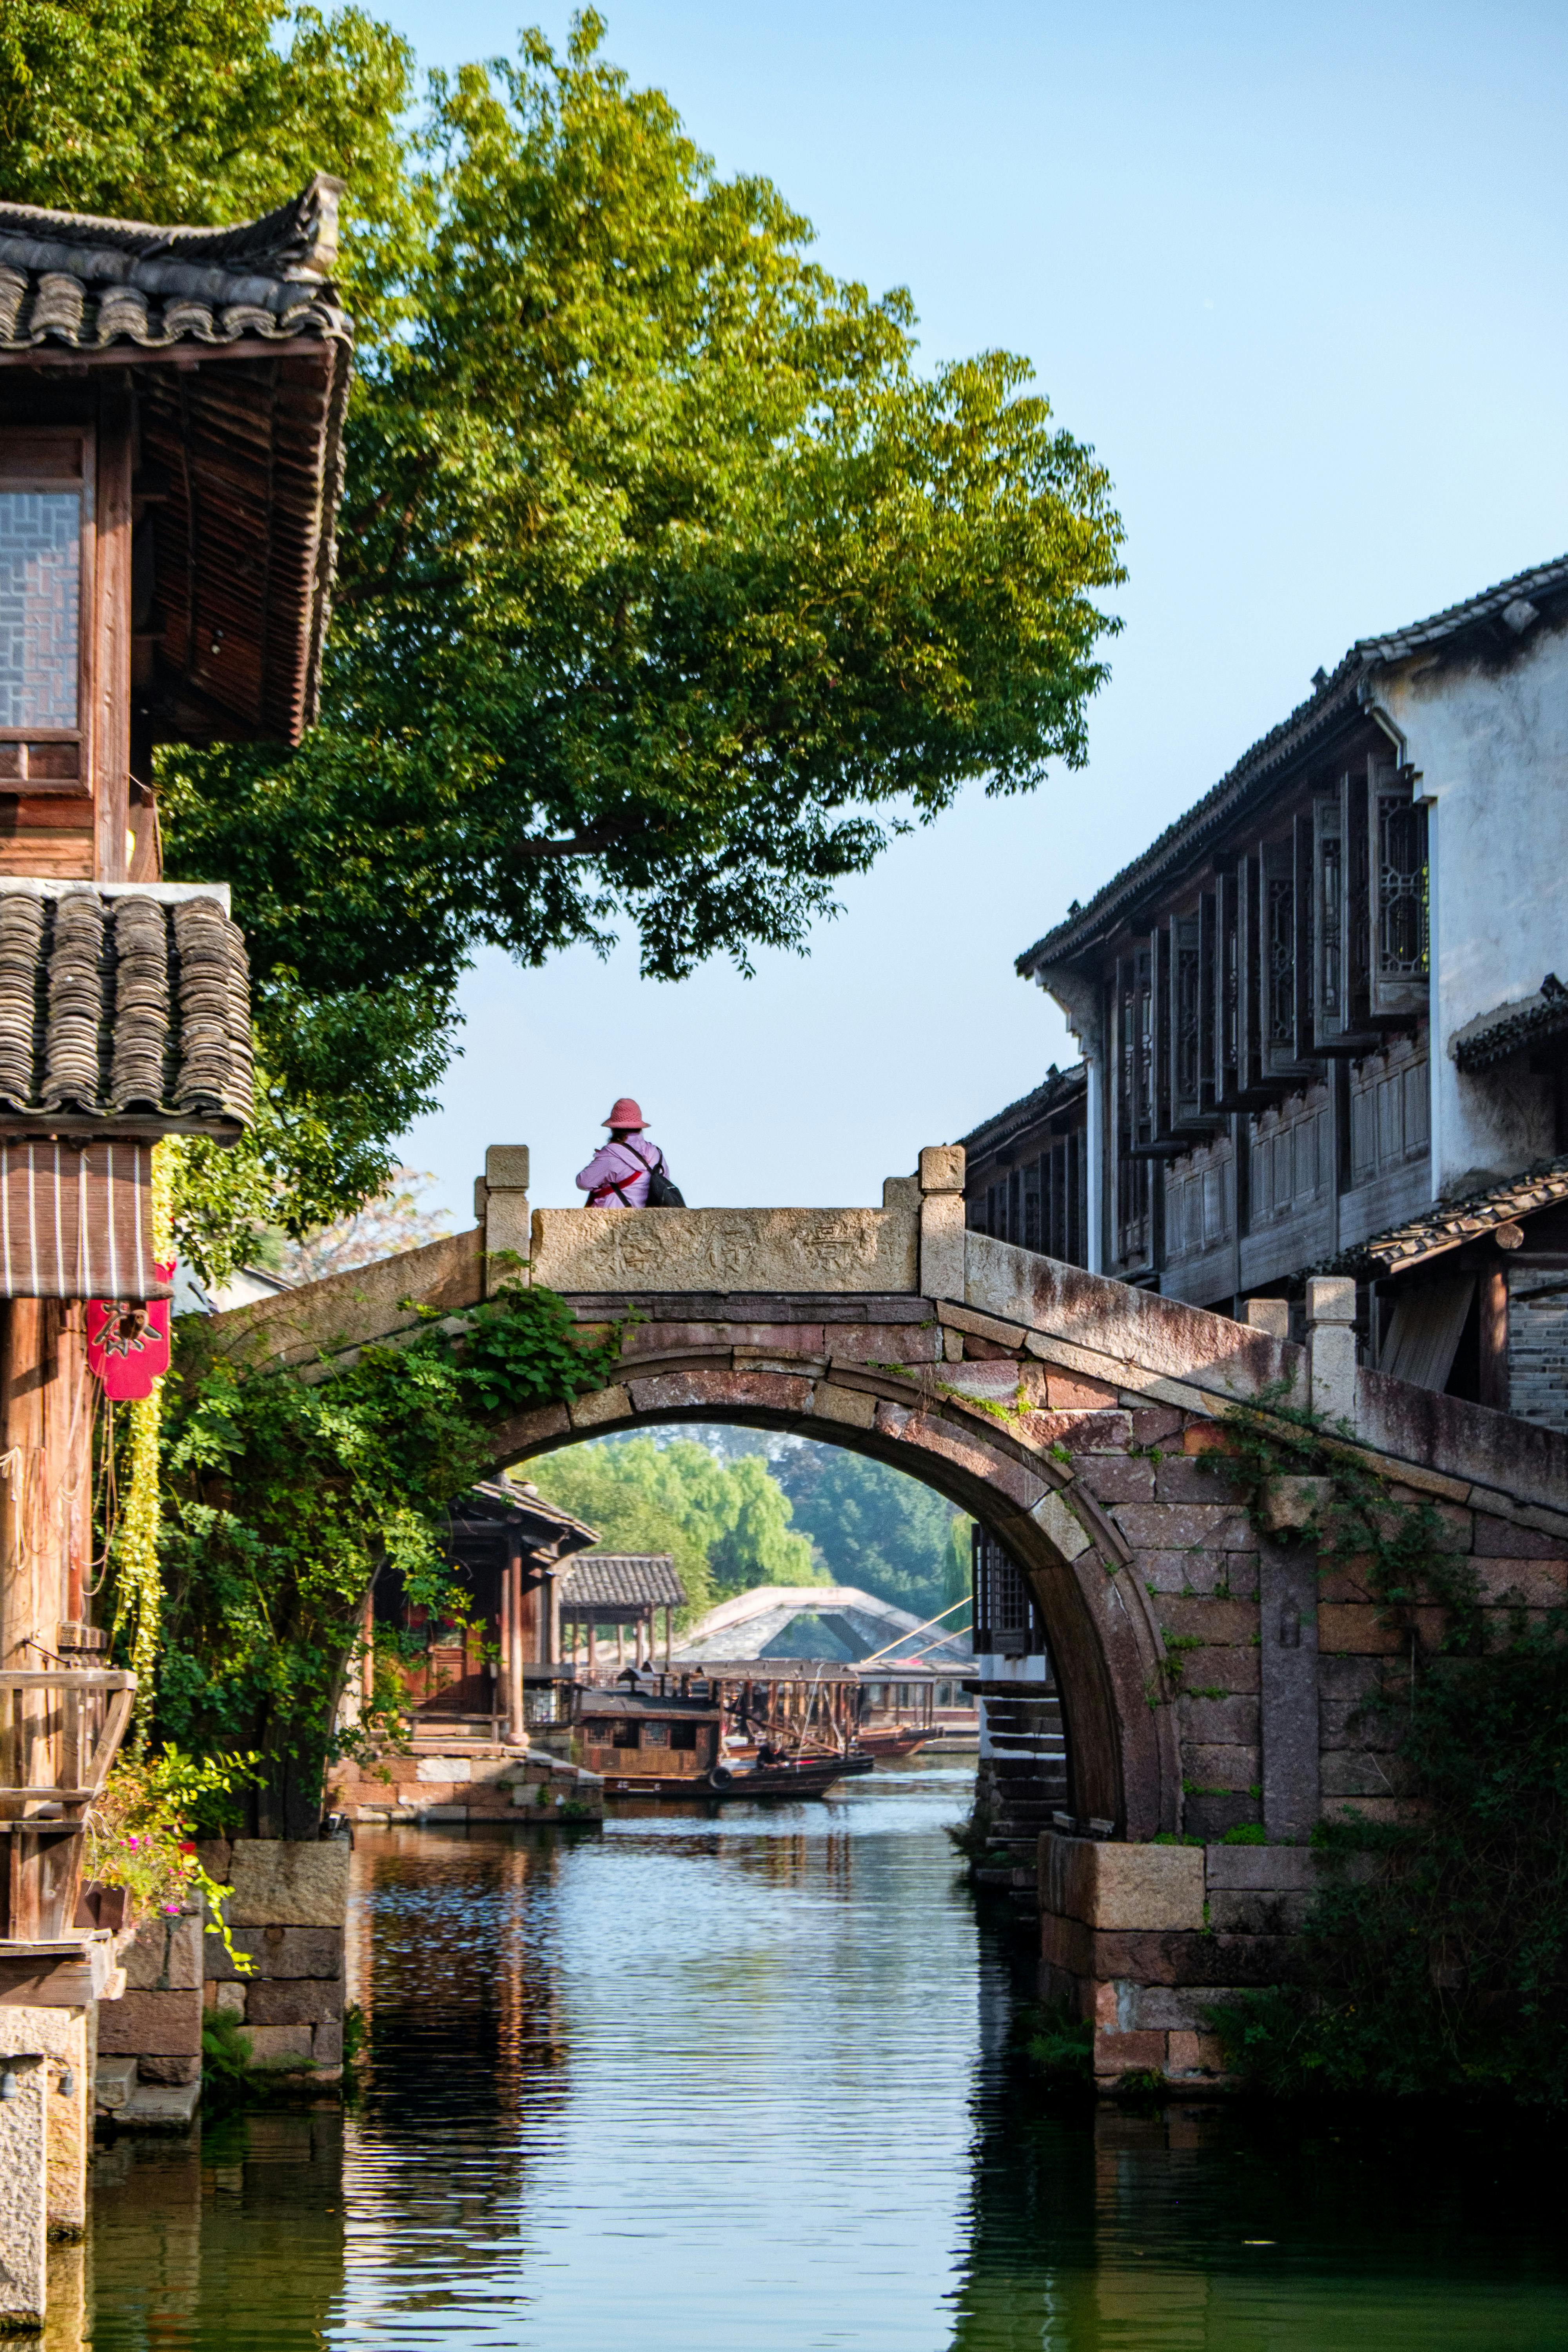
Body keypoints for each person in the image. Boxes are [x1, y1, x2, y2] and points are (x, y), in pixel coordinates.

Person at [575, 1098, 669, 1208]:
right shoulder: (656, 1154)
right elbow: (665, 1182)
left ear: (613, 1128)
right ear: (639, 1127)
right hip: (650, 1216)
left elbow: (583, 1182)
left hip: (614, 1216)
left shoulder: (612, 1154)